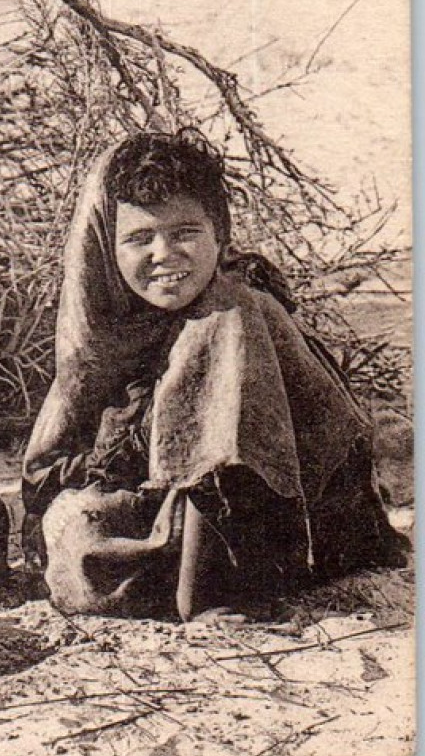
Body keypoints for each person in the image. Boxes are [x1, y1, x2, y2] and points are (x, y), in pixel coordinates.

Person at [23, 131, 407, 621]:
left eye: (185, 233)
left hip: (264, 515)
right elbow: (47, 471)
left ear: (219, 236)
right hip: (165, 503)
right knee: (82, 532)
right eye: (139, 239)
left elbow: (228, 450)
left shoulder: (237, 308)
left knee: (221, 329)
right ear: (106, 248)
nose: (164, 254)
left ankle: (218, 587)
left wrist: (205, 596)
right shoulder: (105, 324)